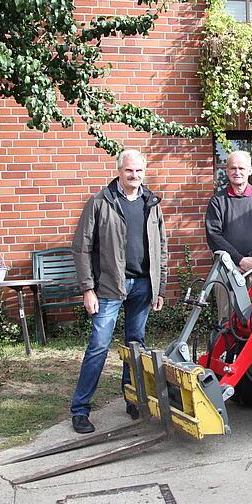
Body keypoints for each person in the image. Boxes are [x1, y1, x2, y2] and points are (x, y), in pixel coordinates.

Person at [70, 149, 167, 434]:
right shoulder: (101, 202)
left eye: (138, 171)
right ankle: (80, 410)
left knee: (135, 346)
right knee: (99, 345)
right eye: (128, 171)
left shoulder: (152, 203)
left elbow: (161, 247)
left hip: (143, 286)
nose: (133, 175)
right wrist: (88, 289)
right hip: (110, 287)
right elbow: (81, 248)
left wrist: (159, 287)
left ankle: (132, 399)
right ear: (118, 171)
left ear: (143, 172)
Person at [206, 150, 252, 273]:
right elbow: (213, 236)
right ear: (227, 171)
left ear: (249, 171)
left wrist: (251, 259)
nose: (237, 172)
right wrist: (239, 259)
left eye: (241, 168)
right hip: (227, 269)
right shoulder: (217, 201)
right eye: (233, 168)